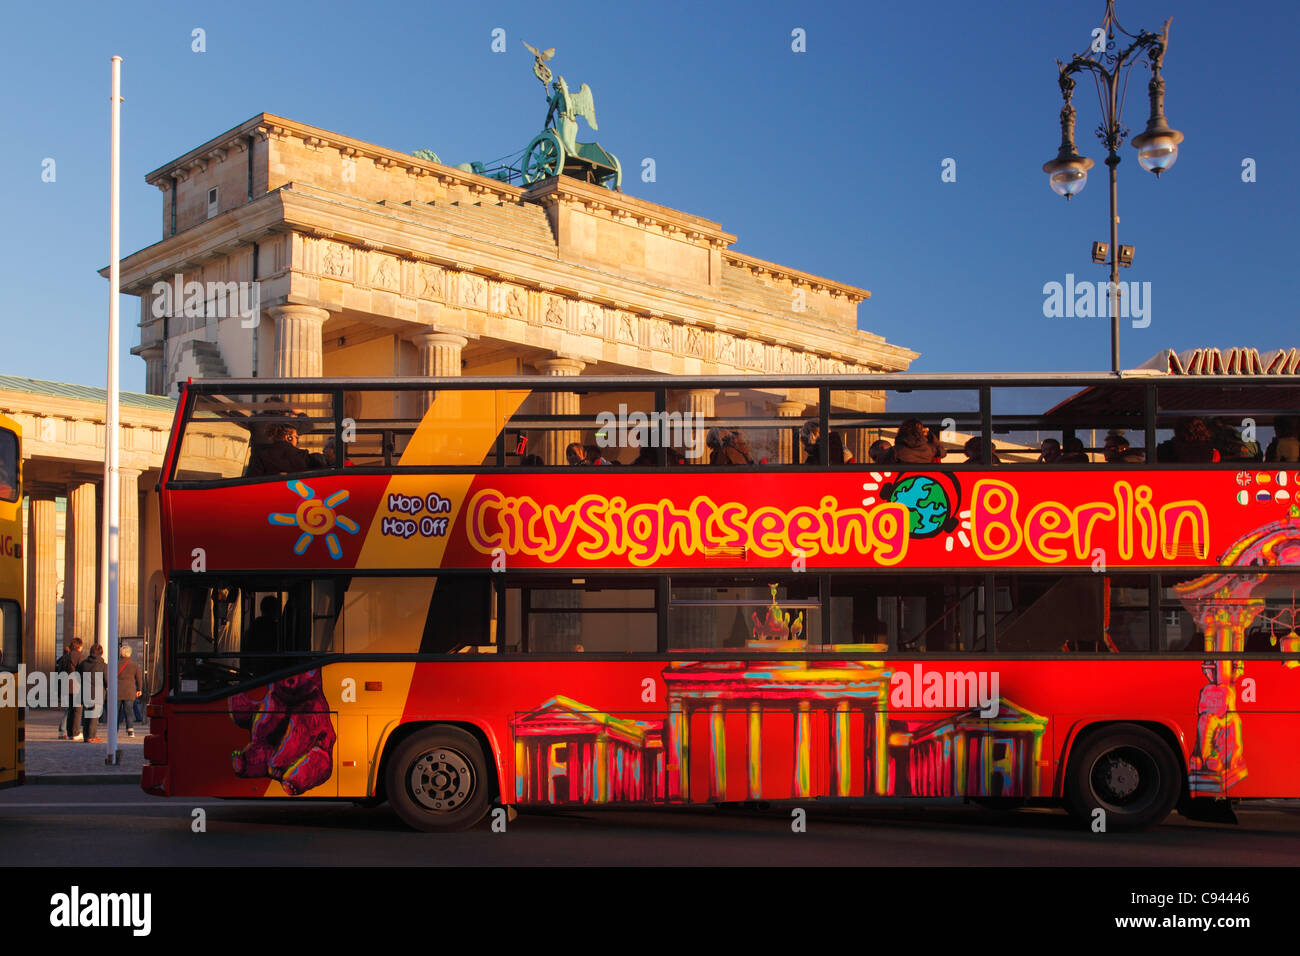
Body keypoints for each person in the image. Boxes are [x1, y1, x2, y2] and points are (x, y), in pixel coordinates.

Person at [77, 644, 108, 743]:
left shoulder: (83, 664)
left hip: (85, 691)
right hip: (98, 692)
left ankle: (87, 736)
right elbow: (106, 679)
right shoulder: (103, 665)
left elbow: (77, 676)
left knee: (87, 715)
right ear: (101, 653)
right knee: (94, 716)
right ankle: (91, 736)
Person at [116, 644, 144, 738]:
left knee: (116, 711)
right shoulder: (134, 665)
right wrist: (139, 689)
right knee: (129, 711)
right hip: (129, 691)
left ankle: (114, 730)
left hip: (117, 691)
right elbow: (139, 678)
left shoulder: (115, 664)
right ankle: (130, 730)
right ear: (129, 654)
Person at [61, 638, 86, 741]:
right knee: (77, 710)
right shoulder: (79, 656)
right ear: (79, 646)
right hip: (76, 686)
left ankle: (70, 732)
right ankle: (75, 732)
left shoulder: (65, 657)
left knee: (70, 710)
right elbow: (83, 671)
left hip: (65, 686)